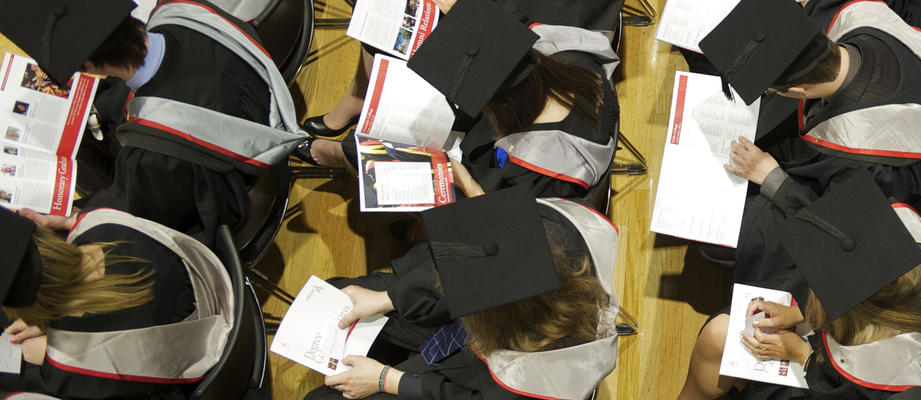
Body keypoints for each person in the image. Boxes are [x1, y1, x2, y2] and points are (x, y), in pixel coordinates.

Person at [0, 0, 307, 247]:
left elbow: (141, 213)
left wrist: (81, 216)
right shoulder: (191, 13)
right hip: (255, 119)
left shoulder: (155, 155)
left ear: (89, 66)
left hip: (232, 197)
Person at [303, 184, 620, 399]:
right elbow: (485, 260)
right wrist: (387, 299)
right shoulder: (562, 236)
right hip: (465, 328)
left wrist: (385, 379)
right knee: (338, 296)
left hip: (461, 380)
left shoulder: (533, 376)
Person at [676, 176, 921, 399]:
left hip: (824, 385)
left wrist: (802, 355)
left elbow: (838, 392)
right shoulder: (906, 244)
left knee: (717, 339)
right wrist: (799, 314)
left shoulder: (886, 377)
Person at [304, 0, 620, 200]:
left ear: (495, 108)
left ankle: (342, 153)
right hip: (512, 123)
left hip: (485, 177)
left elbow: (501, 221)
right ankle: (360, 99)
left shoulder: (540, 166)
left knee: (366, 152)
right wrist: (464, 14)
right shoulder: (564, 61)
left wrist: (464, 180)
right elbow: (511, 37)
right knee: (389, 30)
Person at [698, 0, 921, 217]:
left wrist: (773, 178)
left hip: (894, 178)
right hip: (916, 94)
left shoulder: (859, 163)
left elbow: (842, 223)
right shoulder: (863, 16)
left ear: (798, 91)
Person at [0, 208, 235, 398]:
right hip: (226, 289)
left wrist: (49, 356)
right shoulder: (99, 224)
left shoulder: (73, 361)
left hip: (207, 364)